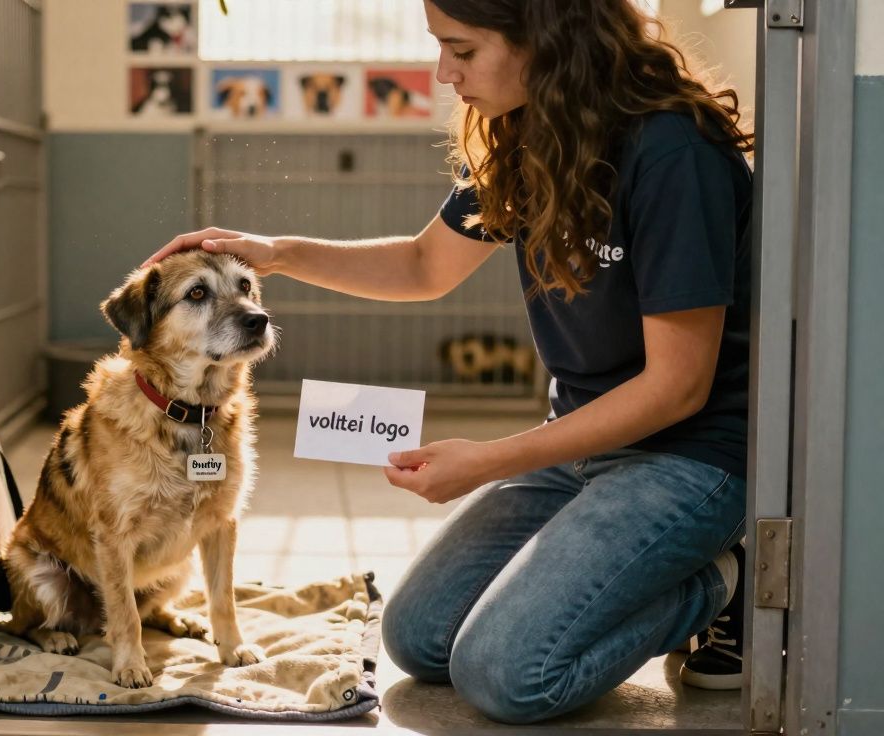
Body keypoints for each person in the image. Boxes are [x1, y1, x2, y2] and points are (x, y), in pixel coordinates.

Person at [144, 0, 753, 724]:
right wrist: (278, 253)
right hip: (583, 447)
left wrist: (490, 460)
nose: (443, 73)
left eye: (461, 50)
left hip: (689, 459)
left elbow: (677, 389)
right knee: (419, 637)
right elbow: (424, 264)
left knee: (506, 674)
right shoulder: (529, 131)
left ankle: (718, 581)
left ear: (547, 39)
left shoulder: (674, 151)